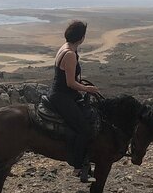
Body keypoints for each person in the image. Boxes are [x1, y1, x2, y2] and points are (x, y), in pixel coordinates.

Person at [47, 20, 100, 182]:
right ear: (82, 38)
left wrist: (81, 85)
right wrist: (88, 89)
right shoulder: (70, 54)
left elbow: (69, 79)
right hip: (62, 96)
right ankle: (78, 167)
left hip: (64, 94)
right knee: (83, 128)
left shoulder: (65, 48)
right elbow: (70, 83)